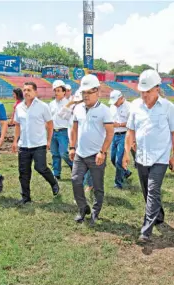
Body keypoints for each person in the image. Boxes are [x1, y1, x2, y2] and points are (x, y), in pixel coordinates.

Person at [123, 69, 174, 242]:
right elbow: (130, 132)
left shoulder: (167, 107)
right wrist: (127, 153)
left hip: (160, 158)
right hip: (141, 157)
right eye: (142, 91)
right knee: (147, 192)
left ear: (157, 89)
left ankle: (146, 231)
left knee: (153, 190)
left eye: (148, 91)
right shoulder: (136, 107)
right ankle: (159, 215)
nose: (144, 95)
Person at [69, 74, 114, 224]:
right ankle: (83, 208)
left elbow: (109, 133)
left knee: (97, 186)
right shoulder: (78, 109)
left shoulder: (105, 110)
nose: (86, 96)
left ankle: (96, 212)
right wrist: (71, 147)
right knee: (76, 180)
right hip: (80, 154)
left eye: (89, 92)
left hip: (96, 155)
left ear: (97, 92)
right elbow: (74, 129)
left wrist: (103, 152)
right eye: (84, 93)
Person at [12, 82, 60, 204]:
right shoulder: (19, 107)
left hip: (39, 144)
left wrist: (48, 140)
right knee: (23, 172)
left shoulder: (43, 106)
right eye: (24, 90)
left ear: (35, 92)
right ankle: (26, 197)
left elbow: (50, 124)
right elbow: (17, 125)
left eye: (29, 90)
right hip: (24, 145)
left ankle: (53, 182)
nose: (26, 92)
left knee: (40, 167)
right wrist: (15, 141)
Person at [49, 80, 73, 180]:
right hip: (53, 131)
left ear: (64, 92)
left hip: (63, 131)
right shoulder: (51, 104)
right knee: (55, 154)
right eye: (55, 90)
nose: (56, 92)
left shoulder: (68, 104)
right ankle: (56, 173)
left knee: (63, 152)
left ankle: (74, 166)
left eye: (59, 90)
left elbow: (67, 117)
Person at [108, 90, 132, 189]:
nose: (114, 103)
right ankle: (126, 172)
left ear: (121, 98)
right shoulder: (112, 107)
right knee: (113, 158)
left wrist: (119, 124)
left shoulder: (129, 107)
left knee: (119, 160)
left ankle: (118, 183)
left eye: (116, 101)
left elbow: (132, 123)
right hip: (114, 135)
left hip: (124, 135)